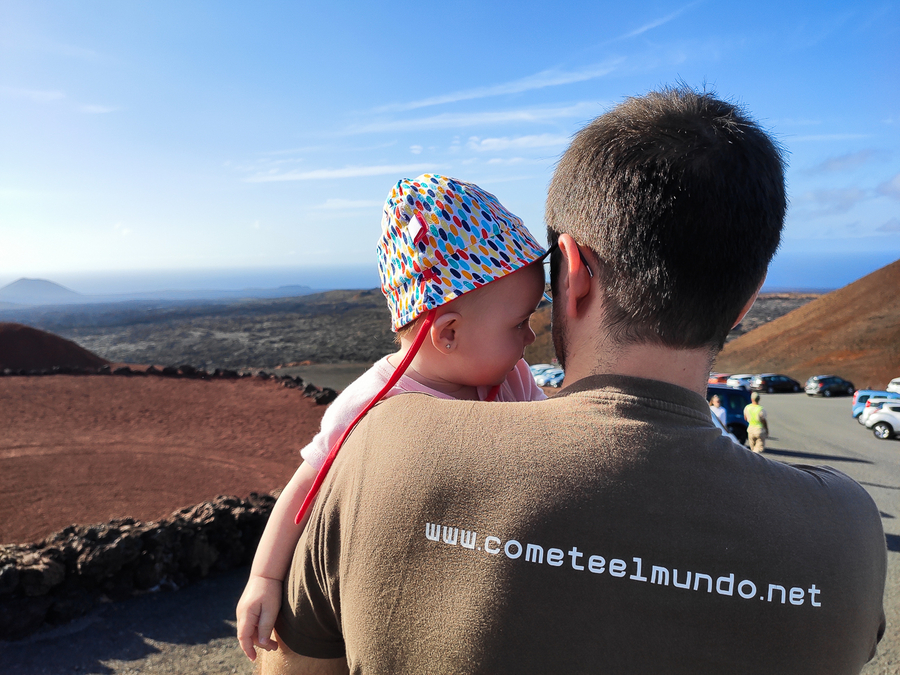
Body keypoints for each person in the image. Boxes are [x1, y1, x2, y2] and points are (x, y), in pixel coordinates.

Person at [261, 86, 886, 674]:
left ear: (572, 270)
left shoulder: (376, 449)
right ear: (747, 301)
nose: (528, 332)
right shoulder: (849, 536)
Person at [235, 174, 549, 660]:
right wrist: (265, 577)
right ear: (447, 335)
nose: (531, 338)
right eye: (519, 323)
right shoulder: (368, 406)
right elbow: (305, 489)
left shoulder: (513, 379)